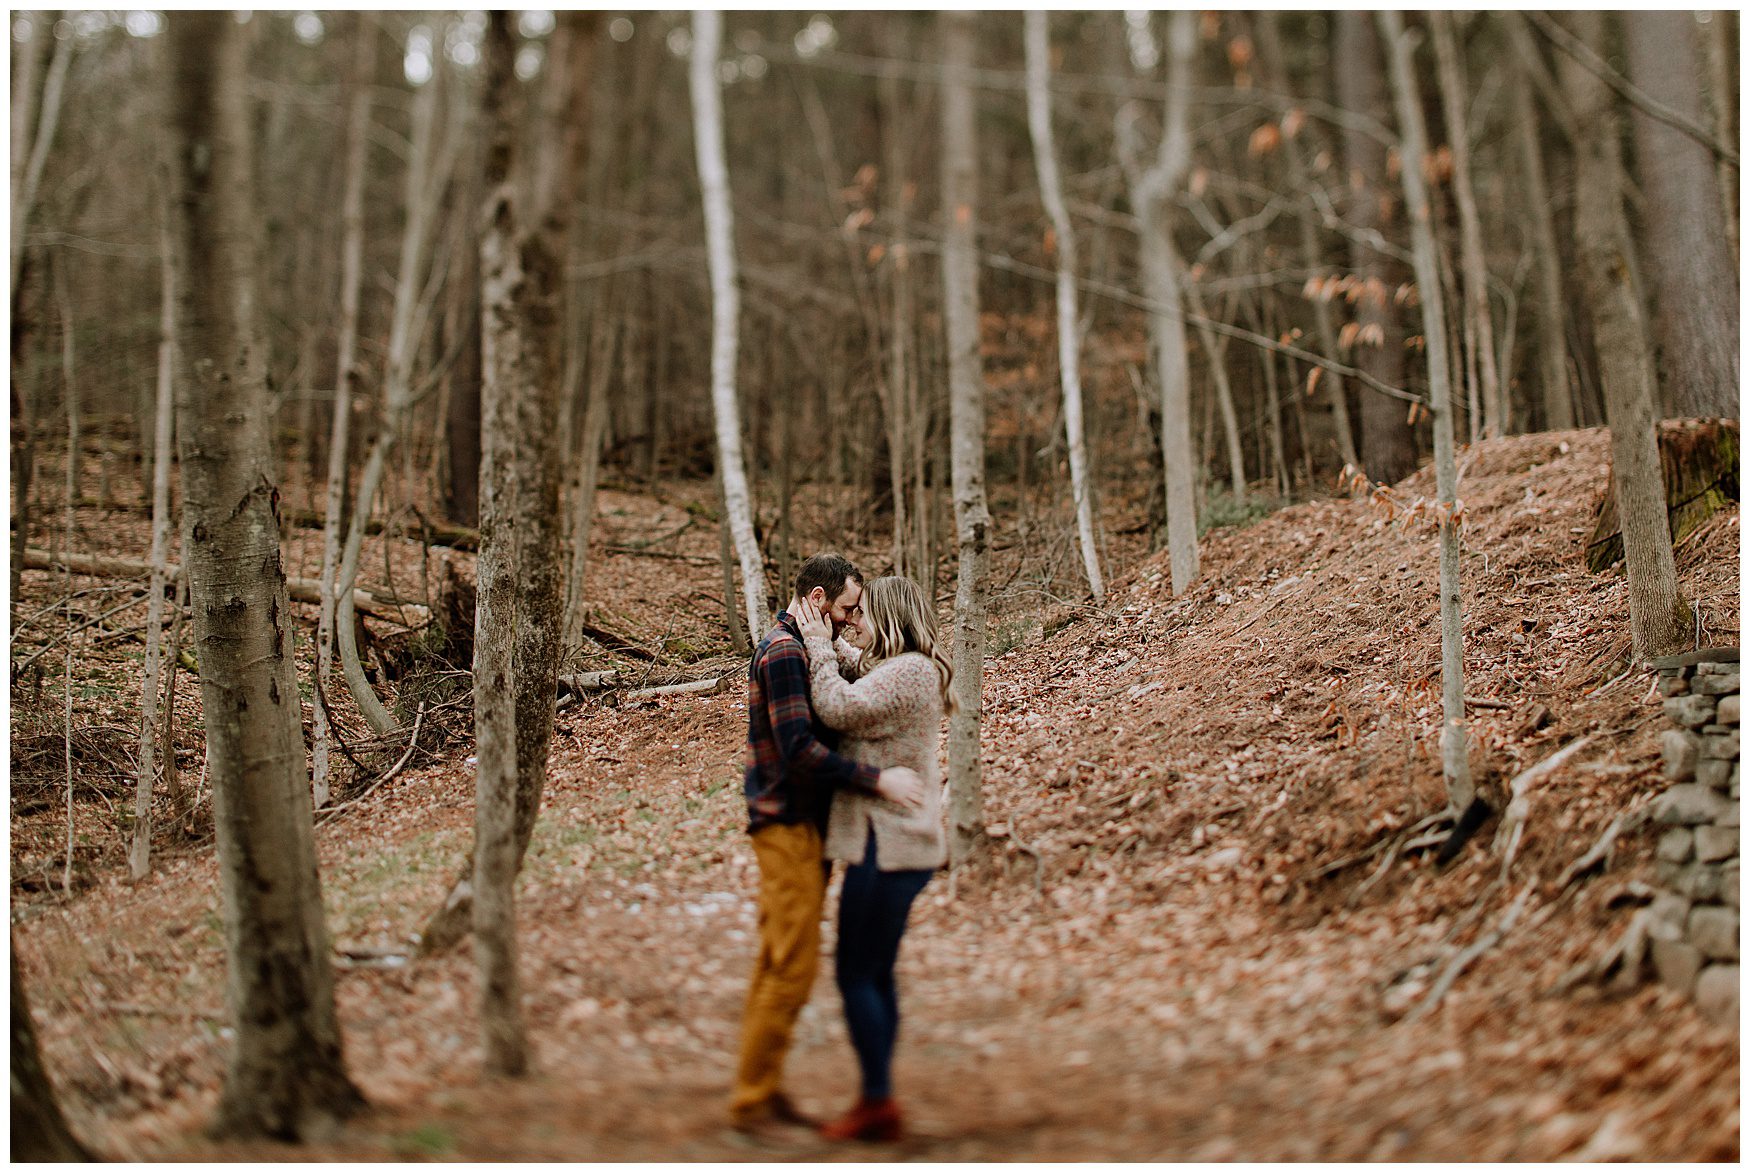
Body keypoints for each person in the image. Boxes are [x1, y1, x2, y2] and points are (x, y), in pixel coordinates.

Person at [730, 554, 925, 1139]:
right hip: (787, 822)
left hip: (802, 825)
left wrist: (836, 654)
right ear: (817, 600)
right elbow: (799, 749)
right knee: (792, 964)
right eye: (844, 609)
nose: (848, 620)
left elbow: (845, 696)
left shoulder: (797, 646)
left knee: (780, 958)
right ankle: (753, 1101)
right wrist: (875, 781)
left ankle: (763, 1087)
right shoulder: (786, 651)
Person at [795, 574, 952, 1143]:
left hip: (889, 844)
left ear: (888, 616)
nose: (854, 620)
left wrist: (816, 646)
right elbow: (862, 673)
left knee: (855, 972)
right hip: (891, 842)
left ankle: (876, 1101)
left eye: (863, 613)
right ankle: (878, 1096)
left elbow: (838, 704)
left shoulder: (910, 672)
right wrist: (830, 641)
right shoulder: (903, 667)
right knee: (875, 971)